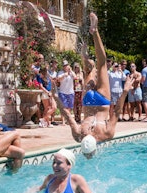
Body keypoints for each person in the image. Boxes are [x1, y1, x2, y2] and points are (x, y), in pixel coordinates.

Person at [53, 13, 134, 159]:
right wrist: (56, 96)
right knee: (90, 70)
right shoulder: (79, 136)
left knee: (101, 64)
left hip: (102, 102)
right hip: (88, 102)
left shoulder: (106, 135)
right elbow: (66, 114)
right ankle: (85, 54)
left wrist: (125, 91)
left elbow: (116, 111)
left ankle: (94, 32)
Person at [57, 60, 76, 125]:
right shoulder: (60, 72)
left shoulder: (71, 73)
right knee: (63, 107)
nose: (65, 67)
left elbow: (75, 77)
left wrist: (70, 71)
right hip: (62, 92)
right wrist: (64, 75)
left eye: (66, 65)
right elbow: (59, 79)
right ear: (63, 67)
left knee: (69, 107)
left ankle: (68, 119)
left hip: (70, 92)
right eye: (64, 66)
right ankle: (63, 121)